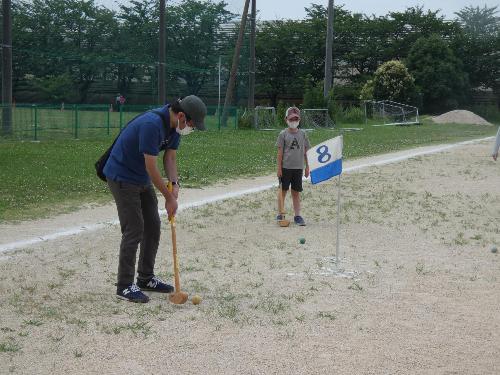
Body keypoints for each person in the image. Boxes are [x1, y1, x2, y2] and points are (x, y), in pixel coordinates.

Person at [103, 95, 207, 303]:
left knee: (153, 225)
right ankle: (124, 285)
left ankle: (145, 278)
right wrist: (168, 198)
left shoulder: (174, 128)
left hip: (140, 177)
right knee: (134, 228)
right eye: (192, 125)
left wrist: (175, 185)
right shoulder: (152, 125)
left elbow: (170, 157)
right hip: (122, 176)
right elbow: (151, 166)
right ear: (181, 116)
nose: (190, 129)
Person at [276, 106, 310, 226]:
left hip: (298, 168)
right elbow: (280, 153)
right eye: (291, 119)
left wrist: (307, 167)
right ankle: (281, 213)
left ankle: (297, 216)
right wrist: (279, 168)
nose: (293, 122)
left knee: (296, 192)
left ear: (299, 120)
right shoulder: (283, 134)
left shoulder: (303, 134)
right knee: (283, 191)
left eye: (296, 119)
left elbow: (306, 152)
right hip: (286, 168)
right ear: (286, 119)